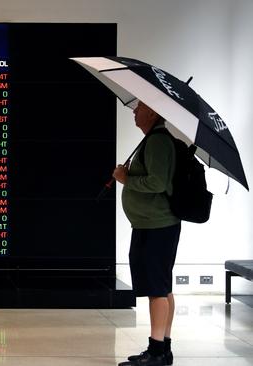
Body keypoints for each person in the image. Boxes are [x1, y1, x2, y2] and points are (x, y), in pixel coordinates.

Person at [113, 101, 181, 366]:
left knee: (157, 289)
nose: (134, 111)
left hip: (157, 226)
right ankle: (163, 349)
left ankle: (156, 352)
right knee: (162, 287)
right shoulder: (153, 140)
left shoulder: (157, 142)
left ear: (152, 112)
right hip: (152, 225)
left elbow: (157, 182)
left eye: (139, 107)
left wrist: (125, 179)